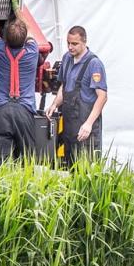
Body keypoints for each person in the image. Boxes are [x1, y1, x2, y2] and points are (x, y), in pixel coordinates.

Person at [45, 26, 108, 165]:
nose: (70, 47)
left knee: (86, 171)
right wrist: (54, 104)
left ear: (84, 42)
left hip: (86, 130)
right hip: (69, 127)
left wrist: (88, 124)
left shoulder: (94, 64)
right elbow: (65, 86)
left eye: (74, 44)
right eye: (68, 43)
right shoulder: (67, 58)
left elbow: (102, 97)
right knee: (69, 167)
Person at [0, 18, 39, 165]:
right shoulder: (33, 52)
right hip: (24, 111)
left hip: (0, 111)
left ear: (5, 38)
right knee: (27, 161)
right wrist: (18, 11)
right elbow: (31, 32)